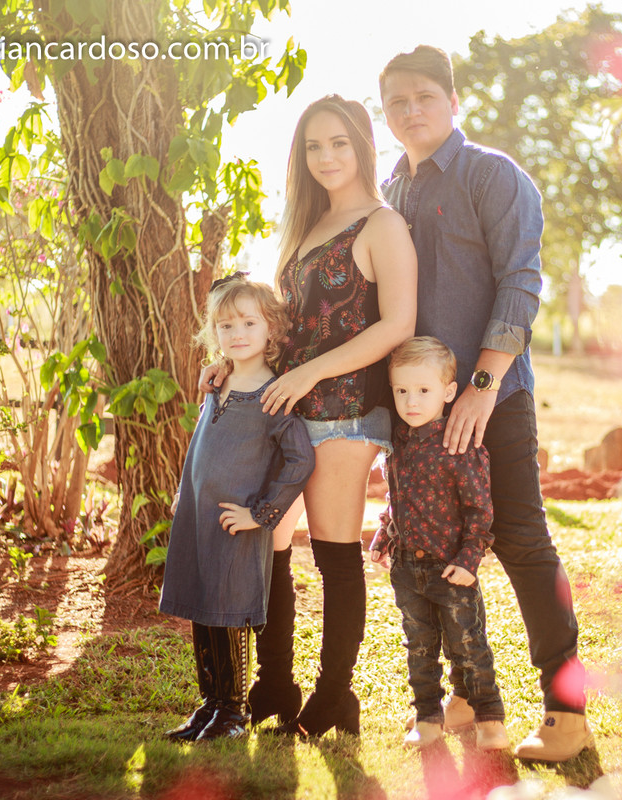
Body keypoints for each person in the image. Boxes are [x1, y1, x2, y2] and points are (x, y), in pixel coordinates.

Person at [378, 45, 591, 762]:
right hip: (418, 410)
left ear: (453, 102)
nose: (410, 112)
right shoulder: (392, 190)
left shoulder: (493, 175)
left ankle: (566, 710)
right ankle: (468, 694)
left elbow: (521, 283)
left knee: (521, 540)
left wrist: (481, 387)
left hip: (494, 397)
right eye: (397, 101)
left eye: (423, 98)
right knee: (435, 549)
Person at [202, 95, 417, 737]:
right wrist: (232, 365)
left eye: (339, 144)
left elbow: (397, 324)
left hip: (347, 411)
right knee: (270, 540)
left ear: (362, 148)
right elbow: (283, 324)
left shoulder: (382, 225)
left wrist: (309, 373)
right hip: (289, 412)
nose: (326, 157)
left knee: (332, 551)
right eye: (313, 146)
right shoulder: (305, 227)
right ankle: (275, 686)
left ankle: (335, 698)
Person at [160, 276, 316, 742]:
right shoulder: (219, 385)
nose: (237, 333)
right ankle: (210, 704)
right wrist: (184, 491)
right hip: (200, 517)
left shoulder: (273, 395)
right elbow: (201, 447)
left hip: (237, 524)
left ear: (272, 329)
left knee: (228, 612)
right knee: (202, 611)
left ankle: (233, 712)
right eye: (225, 325)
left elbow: (300, 459)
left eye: (249, 322)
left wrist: (263, 514)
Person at [369, 337, 509, 751]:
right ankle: (428, 717)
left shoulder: (459, 445)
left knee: (468, 645)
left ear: (449, 392)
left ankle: (489, 719)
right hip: (407, 569)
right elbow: (396, 502)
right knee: (419, 646)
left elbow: (480, 512)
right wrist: (383, 536)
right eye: (402, 391)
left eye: (424, 390)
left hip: (452, 569)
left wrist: (469, 561)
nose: (412, 401)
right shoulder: (397, 445)